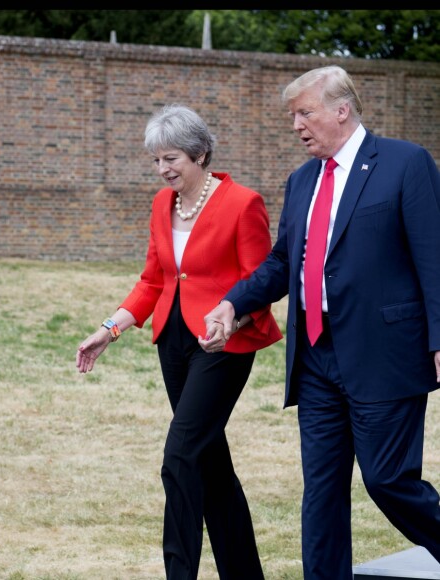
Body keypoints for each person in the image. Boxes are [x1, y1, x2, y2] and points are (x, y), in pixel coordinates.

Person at [200, 65, 440, 579]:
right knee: (322, 491)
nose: (296, 125)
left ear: (341, 109)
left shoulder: (405, 163)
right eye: (293, 116)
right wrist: (233, 304)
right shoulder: (302, 180)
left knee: (388, 479)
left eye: (304, 112)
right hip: (315, 360)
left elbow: (434, 258)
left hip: (384, 354)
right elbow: (284, 262)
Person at [76, 103, 282, 579]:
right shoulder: (160, 204)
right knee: (211, 465)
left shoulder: (242, 203)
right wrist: (109, 330)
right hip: (173, 342)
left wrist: (232, 320)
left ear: (200, 154)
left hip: (223, 345)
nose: (163, 169)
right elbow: (153, 281)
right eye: (156, 160)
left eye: (172, 159)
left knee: (180, 456)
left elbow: (262, 281)